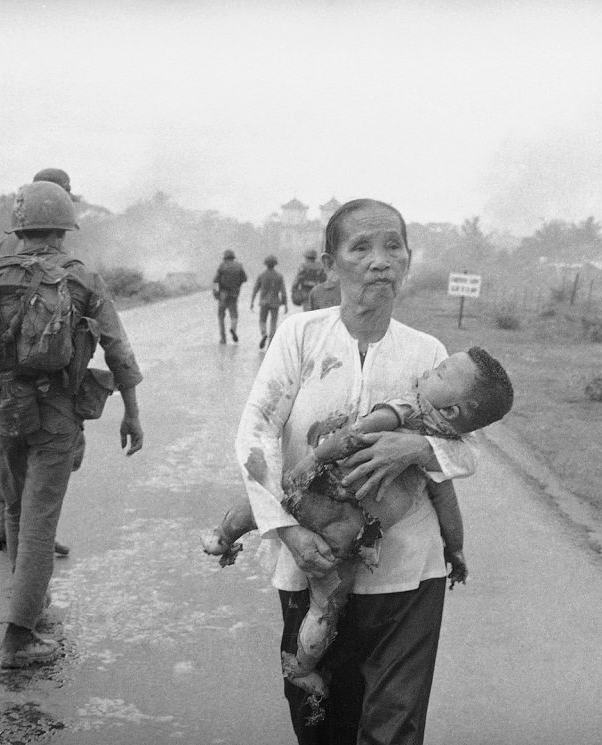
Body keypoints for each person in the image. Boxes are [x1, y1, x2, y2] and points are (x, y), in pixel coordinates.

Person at [233, 198, 479, 743]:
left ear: (408, 260)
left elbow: (467, 451)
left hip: (409, 576)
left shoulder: (428, 352)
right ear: (330, 264)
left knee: (393, 728)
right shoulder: (300, 337)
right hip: (311, 565)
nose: (380, 261)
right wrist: (287, 531)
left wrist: (414, 448)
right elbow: (256, 436)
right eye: (361, 247)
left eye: (394, 246)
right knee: (320, 723)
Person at [205, 347, 513, 706]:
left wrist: (313, 458)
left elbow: (354, 434)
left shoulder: (405, 409)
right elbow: (448, 506)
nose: (430, 371)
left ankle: (221, 537)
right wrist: (456, 549)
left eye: (440, 373)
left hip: (319, 493)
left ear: (449, 410)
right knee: (325, 609)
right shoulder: (437, 454)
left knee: (265, 504)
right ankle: (303, 667)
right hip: (349, 538)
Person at [0, 181, 146, 670]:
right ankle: (19, 637)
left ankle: (31, 604)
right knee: (39, 522)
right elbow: (118, 348)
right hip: (54, 412)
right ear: (64, 228)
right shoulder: (80, 277)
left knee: (14, 507)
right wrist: (131, 411)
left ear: (20, 227)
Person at [0, 167, 78, 556]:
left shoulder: (8, 242)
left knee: (10, 450)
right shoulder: (54, 250)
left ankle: (10, 526)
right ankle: (32, 534)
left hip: (3, 376)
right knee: (48, 458)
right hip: (44, 375)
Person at [249, 254, 288, 349]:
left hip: (264, 302)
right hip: (275, 302)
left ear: (266, 264)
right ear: (275, 264)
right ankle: (270, 344)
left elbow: (255, 289)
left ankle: (264, 334)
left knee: (262, 320)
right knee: (273, 322)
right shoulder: (279, 276)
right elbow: (283, 292)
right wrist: (285, 304)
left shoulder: (262, 276)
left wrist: (252, 302)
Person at [213, 248, 249, 344]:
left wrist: (216, 293)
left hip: (223, 294)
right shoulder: (239, 266)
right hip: (234, 293)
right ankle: (233, 328)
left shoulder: (222, 266)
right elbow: (245, 278)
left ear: (225, 257)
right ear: (233, 257)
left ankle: (223, 338)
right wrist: (237, 284)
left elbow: (215, 281)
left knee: (221, 316)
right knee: (234, 314)